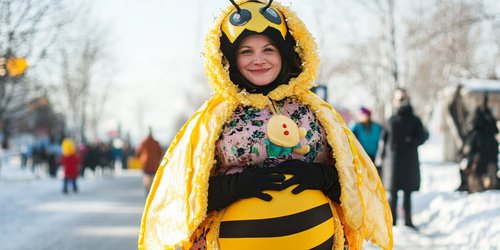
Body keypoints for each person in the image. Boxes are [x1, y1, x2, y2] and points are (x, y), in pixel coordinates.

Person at [138, 1, 393, 249]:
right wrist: (235, 186)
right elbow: (186, 200)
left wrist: (321, 177)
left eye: (268, 49)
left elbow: (352, 189)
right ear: (230, 59)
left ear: (284, 53)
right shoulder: (213, 118)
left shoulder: (317, 111)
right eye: (246, 51)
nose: (258, 60)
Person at [378, 88, 427, 229]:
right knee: (392, 194)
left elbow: (422, 137)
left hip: (409, 161)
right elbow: (383, 140)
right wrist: (380, 158)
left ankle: (408, 221)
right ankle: (392, 222)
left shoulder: (415, 120)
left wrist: (411, 141)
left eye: (403, 98)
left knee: (407, 192)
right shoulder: (390, 120)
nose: (401, 102)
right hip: (392, 162)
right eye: (398, 99)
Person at [461, 94, 499, 193]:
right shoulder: (488, 131)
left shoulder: (476, 134)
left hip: (482, 166)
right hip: (488, 163)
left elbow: (469, 150)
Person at [350, 106, 383, 174]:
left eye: (363, 115)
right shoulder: (356, 126)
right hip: (361, 156)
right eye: (360, 115)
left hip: (374, 156)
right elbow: (349, 135)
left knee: (374, 174)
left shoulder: (377, 126)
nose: (362, 117)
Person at [135, 128, 163, 195]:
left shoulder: (143, 142)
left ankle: (147, 190)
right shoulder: (156, 143)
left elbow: (138, 152)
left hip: (145, 163)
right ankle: (152, 191)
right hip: (154, 163)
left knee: (147, 176)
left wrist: (140, 158)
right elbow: (160, 153)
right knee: (153, 177)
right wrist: (157, 160)